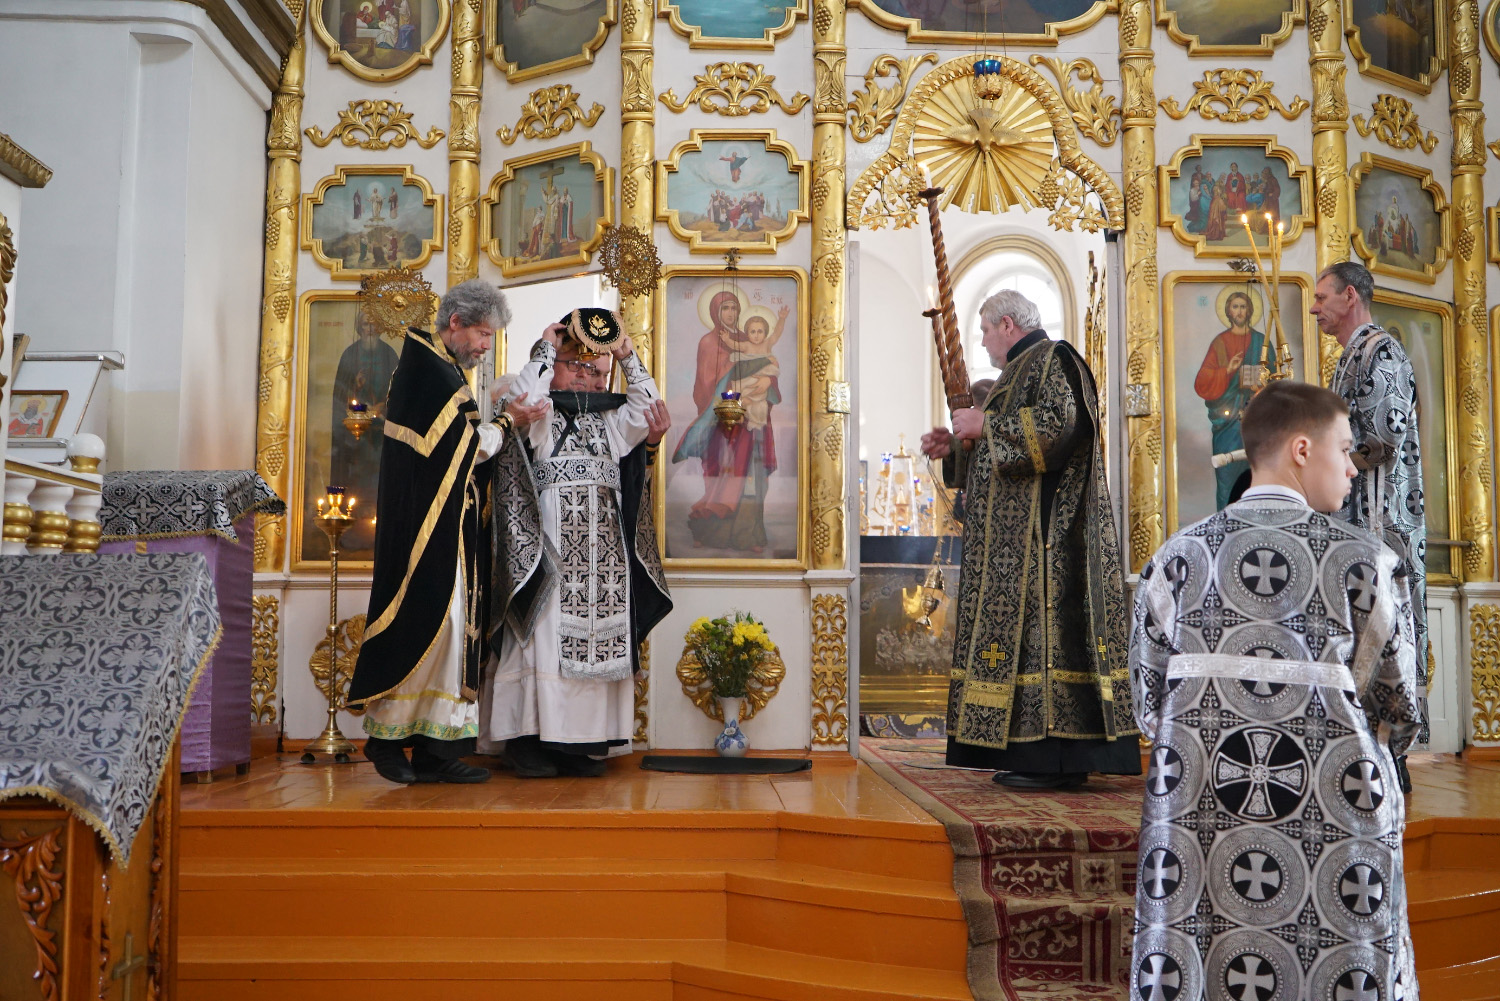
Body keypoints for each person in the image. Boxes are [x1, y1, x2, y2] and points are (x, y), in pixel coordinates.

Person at [1128, 380, 1421, 1001]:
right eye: (1344, 448)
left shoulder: (1176, 557)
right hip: (1339, 810)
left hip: (1196, 810)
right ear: (1301, 449)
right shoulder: (1366, 561)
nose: (1352, 466)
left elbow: (1149, 704)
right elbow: (1398, 708)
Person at [919, 290, 1139, 790]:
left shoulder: (1055, 357)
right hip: (1011, 547)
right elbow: (1001, 462)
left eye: (984, 330)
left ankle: (1056, 760)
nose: (982, 341)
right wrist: (957, 448)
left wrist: (987, 424)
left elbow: (1063, 428)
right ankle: (1028, 755)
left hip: (1048, 545)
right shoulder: (1015, 373)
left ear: (1008, 324)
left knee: (1048, 640)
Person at [345, 280, 546, 785]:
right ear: (455, 323)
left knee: (455, 632)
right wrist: (509, 421)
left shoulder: (443, 369)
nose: (485, 346)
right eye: (482, 334)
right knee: (430, 625)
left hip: (450, 525)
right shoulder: (427, 370)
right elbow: (466, 448)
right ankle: (386, 740)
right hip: (426, 528)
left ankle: (437, 750)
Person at [480, 309, 673, 777]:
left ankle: (577, 745)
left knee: (598, 649)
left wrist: (626, 354)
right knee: (542, 648)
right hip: (549, 560)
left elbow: (649, 408)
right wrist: (546, 348)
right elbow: (525, 396)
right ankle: (528, 743)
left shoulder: (612, 423)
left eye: (597, 371)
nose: (588, 378)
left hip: (604, 566)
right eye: (578, 366)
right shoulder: (542, 418)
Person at [1312, 260, 1427, 789]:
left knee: (1384, 624)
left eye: (1322, 297)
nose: (1314, 307)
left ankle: (1391, 751)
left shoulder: (1381, 351)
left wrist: (1318, 460)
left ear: (1350, 297)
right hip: (1354, 517)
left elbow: (1381, 437)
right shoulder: (1350, 356)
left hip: (1380, 521)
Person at [329, 308, 400, 554]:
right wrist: (356, 388)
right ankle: (354, 532)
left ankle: (383, 534)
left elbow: (399, 390)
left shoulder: (389, 354)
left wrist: (384, 407)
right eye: (365, 324)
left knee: (379, 480)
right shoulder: (350, 354)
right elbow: (340, 394)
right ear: (359, 328)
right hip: (355, 437)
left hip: (381, 434)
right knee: (356, 482)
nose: (370, 329)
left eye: (374, 324)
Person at [1194, 289, 1265, 509]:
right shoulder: (1220, 342)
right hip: (1227, 422)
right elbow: (1202, 382)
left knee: (1257, 478)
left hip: (1257, 420)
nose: (1240, 311)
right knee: (1226, 480)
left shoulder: (1261, 342)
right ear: (1228, 311)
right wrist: (1227, 370)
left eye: (1243, 307)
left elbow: (1275, 378)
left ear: (1250, 310)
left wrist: (1261, 384)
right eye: (1235, 307)